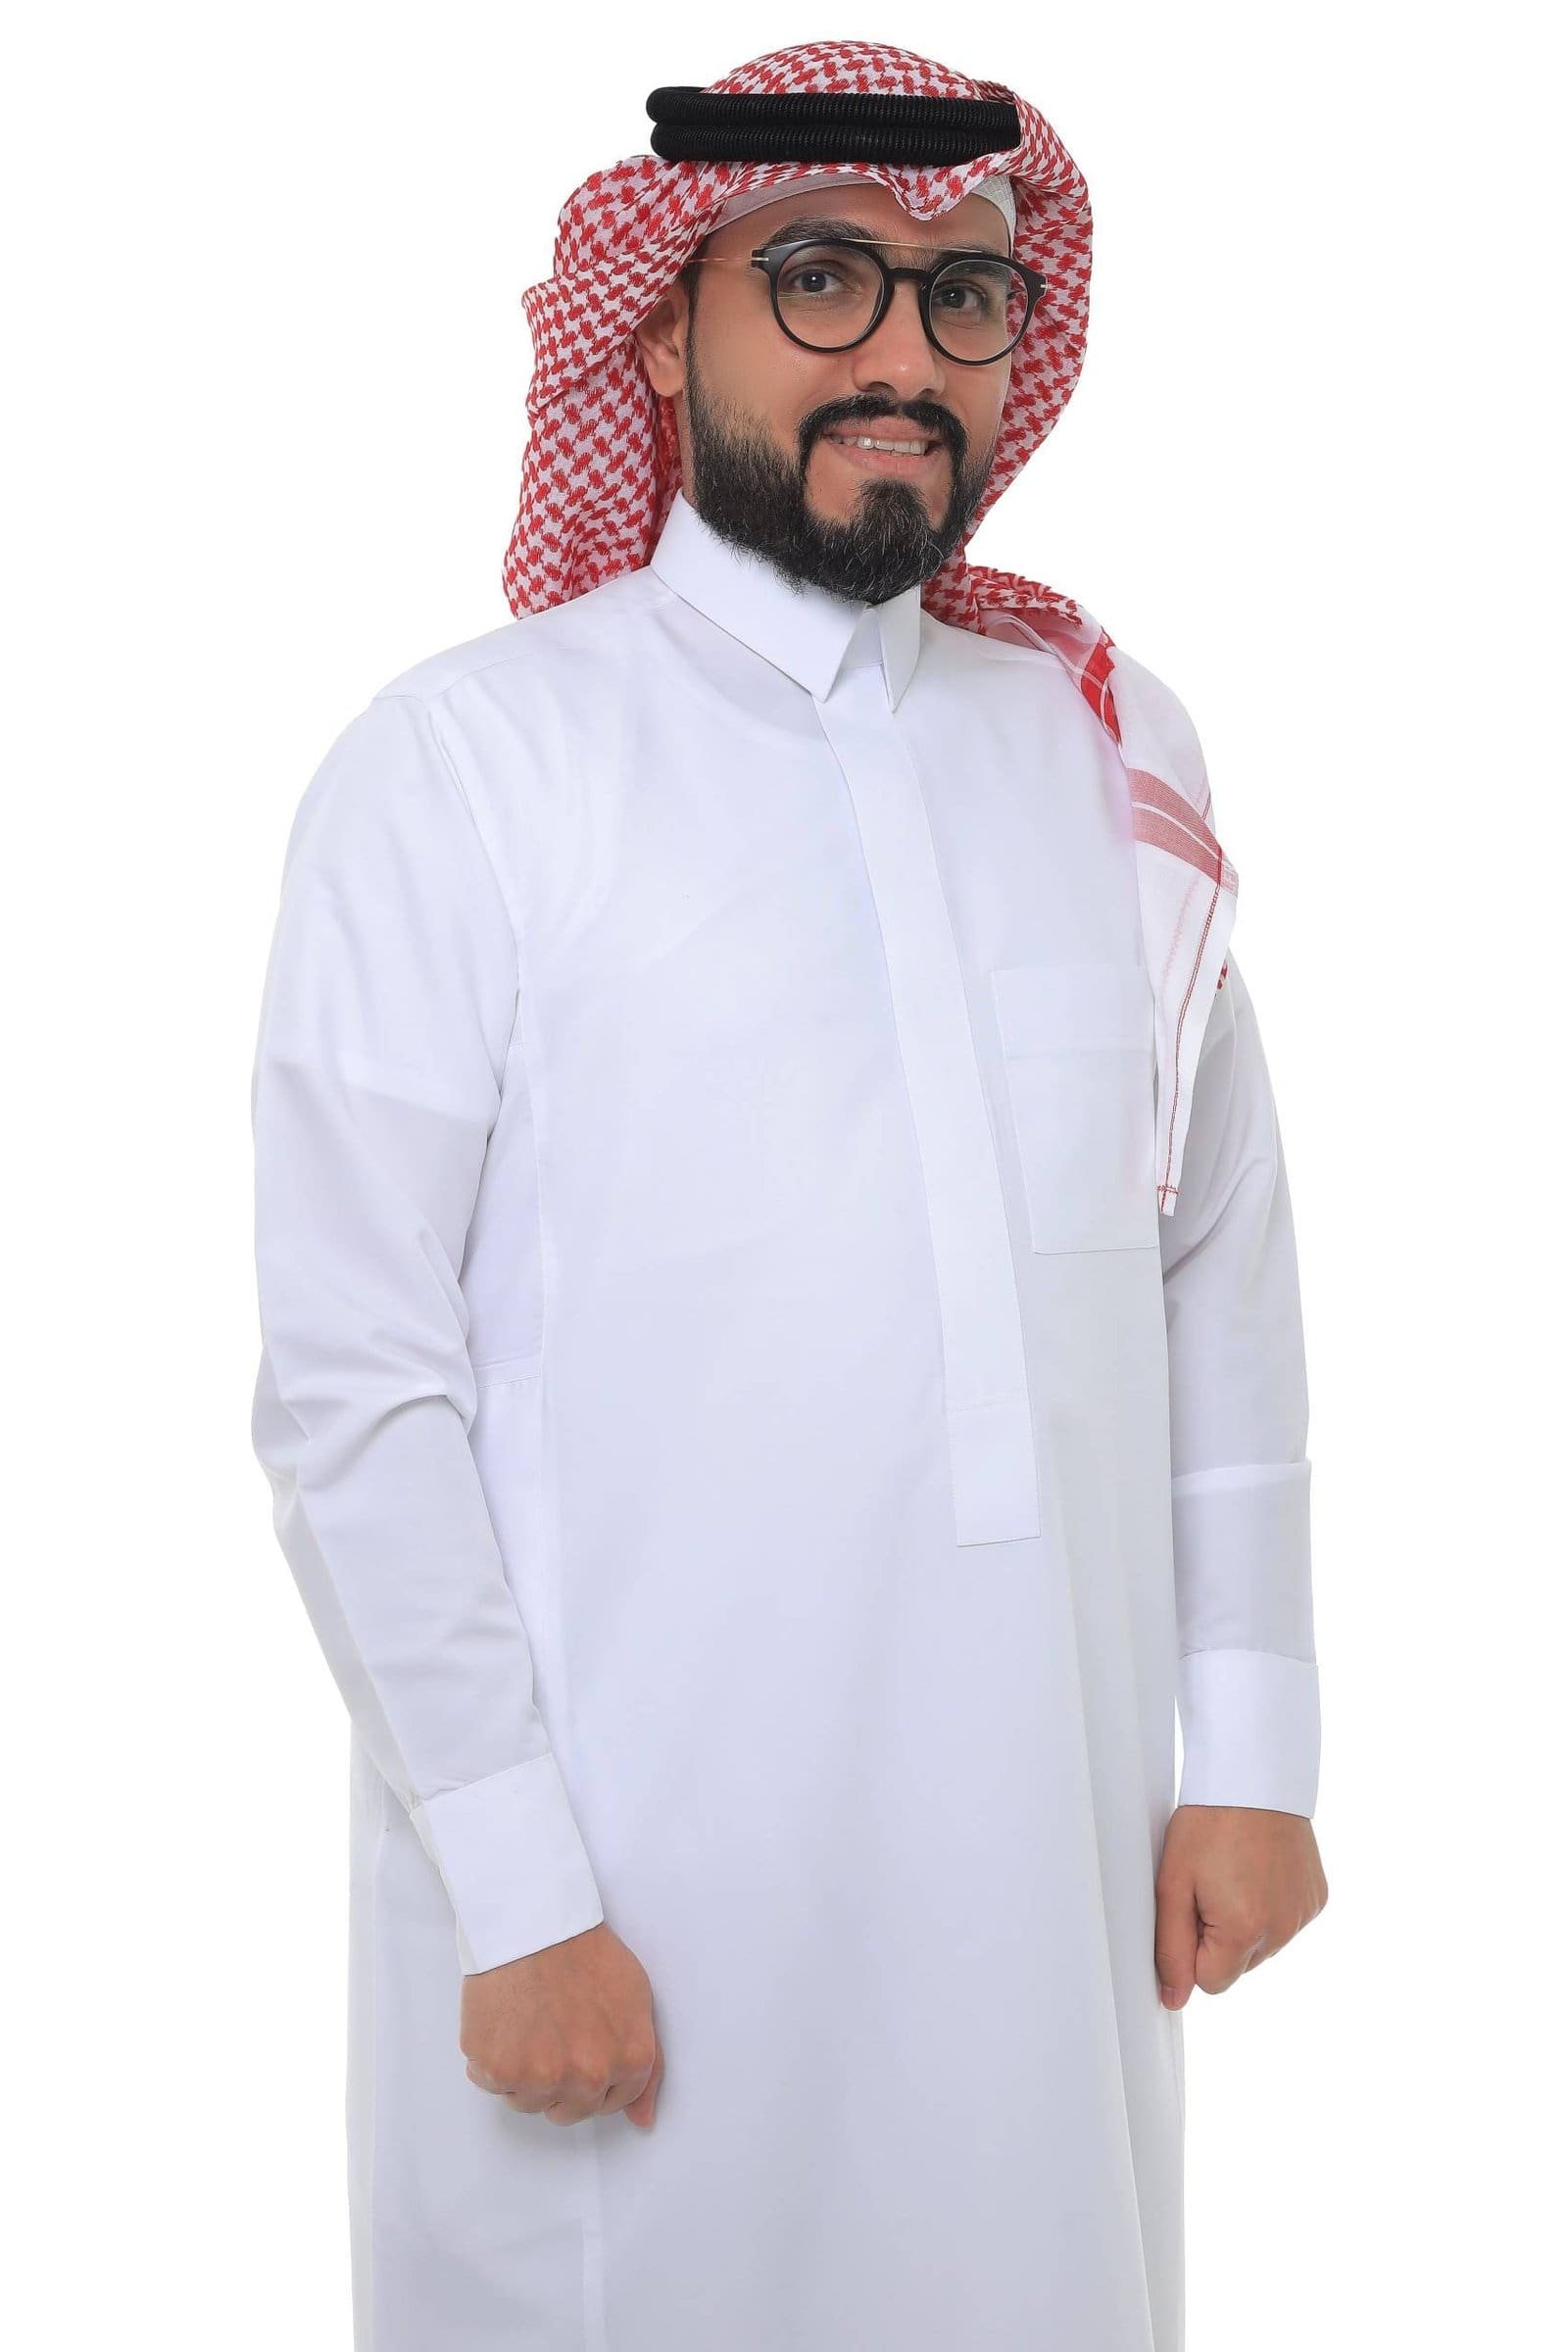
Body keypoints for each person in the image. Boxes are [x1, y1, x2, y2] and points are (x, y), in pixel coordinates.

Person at [249, 36, 1328, 2352]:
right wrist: (516, 1888)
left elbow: (1210, 1269)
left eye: (963, 297)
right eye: (820, 278)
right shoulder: (466, 765)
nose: (901, 358)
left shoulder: (1099, 748)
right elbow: (355, 1386)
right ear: (662, 328)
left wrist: (1246, 1754)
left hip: (1041, 1884)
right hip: (622, 1916)